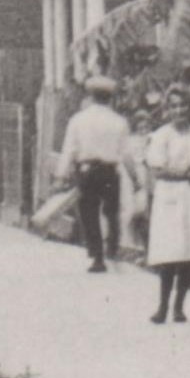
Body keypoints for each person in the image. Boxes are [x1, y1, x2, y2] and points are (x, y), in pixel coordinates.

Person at [136, 85, 190, 325]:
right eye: (173, 106)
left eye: (183, 105)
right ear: (167, 109)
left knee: (187, 251)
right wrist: (186, 173)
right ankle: (162, 306)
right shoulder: (161, 135)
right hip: (168, 196)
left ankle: (179, 307)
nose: (179, 110)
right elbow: (158, 169)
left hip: (189, 195)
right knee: (169, 252)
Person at [58, 80, 135, 276]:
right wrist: (134, 176)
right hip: (109, 171)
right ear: (110, 97)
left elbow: (69, 149)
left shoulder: (78, 120)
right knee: (111, 211)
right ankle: (113, 247)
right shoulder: (119, 121)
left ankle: (98, 257)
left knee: (89, 214)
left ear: (91, 96)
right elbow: (126, 153)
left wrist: (61, 175)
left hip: (87, 170)